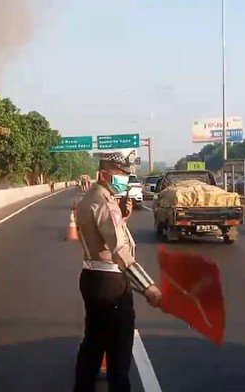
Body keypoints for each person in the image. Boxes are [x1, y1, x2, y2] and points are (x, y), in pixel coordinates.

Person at [73, 150, 162, 392]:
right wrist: (148, 287)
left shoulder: (92, 198)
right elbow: (119, 251)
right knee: (119, 352)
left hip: (93, 276)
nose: (125, 178)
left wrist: (122, 216)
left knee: (94, 342)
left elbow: (101, 231)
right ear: (104, 174)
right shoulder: (103, 202)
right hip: (109, 282)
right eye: (121, 174)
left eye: (127, 174)